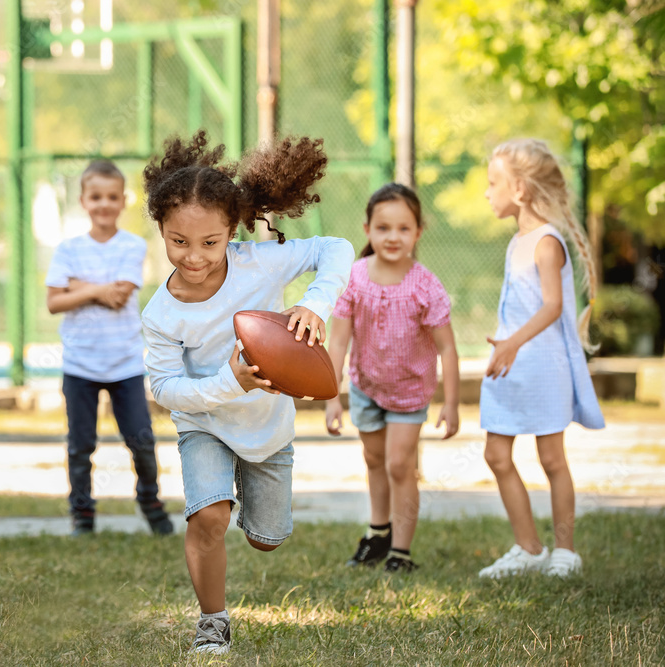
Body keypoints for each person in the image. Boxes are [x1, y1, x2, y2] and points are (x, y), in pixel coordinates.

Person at [141, 131, 354, 654]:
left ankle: (250, 499)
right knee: (209, 517)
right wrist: (228, 382)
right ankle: (212, 621)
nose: (193, 256)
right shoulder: (160, 314)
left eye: (210, 242)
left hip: (267, 426)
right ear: (161, 231)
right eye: (178, 241)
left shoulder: (261, 262)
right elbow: (166, 389)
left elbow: (338, 249)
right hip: (205, 423)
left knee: (266, 539)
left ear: (232, 231)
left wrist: (313, 306)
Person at [477, 138, 605, 579]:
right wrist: (507, 348)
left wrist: (513, 343)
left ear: (519, 190)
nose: (486, 192)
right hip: (510, 370)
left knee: (552, 459)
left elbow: (551, 306)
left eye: (493, 183)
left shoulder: (547, 242)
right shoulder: (517, 241)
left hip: (543, 366)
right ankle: (529, 548)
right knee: (496, 454)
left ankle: (565, 551)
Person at [325, 183, 460, 573]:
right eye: (384, 228)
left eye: (404, 228)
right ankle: (378, 534)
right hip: (366, 388)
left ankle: (401, 552)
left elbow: (447, 349)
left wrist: (451, 404)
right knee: (374, 459)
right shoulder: (353, 278)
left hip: (410, 392)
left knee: (400, 465)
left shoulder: (425, 286)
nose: (393, 237)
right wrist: (331, 396)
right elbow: (338, 343)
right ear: (367, 229)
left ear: (418, 232)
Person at [45, 160, 173, 537]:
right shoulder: (68, 248)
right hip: (80, 366)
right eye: (96, 197)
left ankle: (151, 503)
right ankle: (82, 516)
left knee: (142, 441)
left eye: (112, 197)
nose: (104, 204)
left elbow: (119, 297)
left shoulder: (133, 246)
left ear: (123, 201)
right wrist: (97, 288)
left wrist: (79, 287)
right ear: (83, 200)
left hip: (126, 366)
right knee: (80, 446)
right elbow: (54, 301)